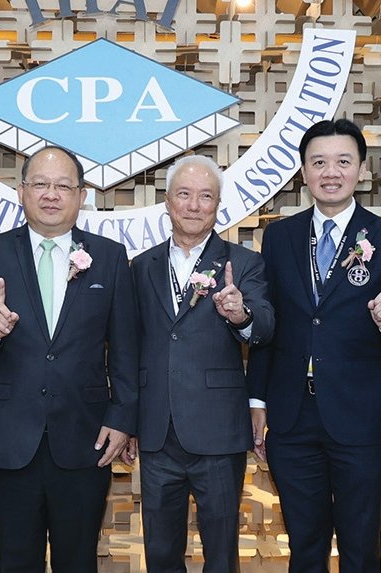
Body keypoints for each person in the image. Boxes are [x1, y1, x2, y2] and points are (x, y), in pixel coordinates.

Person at [0, 145, 139, 573]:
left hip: (86, 437)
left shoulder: (108, 257)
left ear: (82, 195)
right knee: (15, 561)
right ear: (21, 191)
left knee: (78, 561)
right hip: (9, 437)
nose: (51, 194)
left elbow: (126, 347)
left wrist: (123, 418)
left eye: (63, 186)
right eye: (41, 184)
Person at [246, 118, 381, 572]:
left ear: (361, 170)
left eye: (343, 161)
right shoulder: (280, 237)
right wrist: (257, 399)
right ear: (303, 172)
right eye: (318, 162)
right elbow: (269, 324)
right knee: (304, 545)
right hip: (292, 417)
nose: (331, 172)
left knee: (360, 548)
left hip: (361, 418)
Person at [129, 155, 274, 572]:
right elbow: (127, 346)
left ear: (218, 205)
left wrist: (241, 315)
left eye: (206, 196)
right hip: (156, 431)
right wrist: (127, 419)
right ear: (167, 202)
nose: (194, 205)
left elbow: (265, 327)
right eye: (184, 194)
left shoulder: (242, 263)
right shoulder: (141, 266)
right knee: (160, 553)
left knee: (221, 554)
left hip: (218, 432)